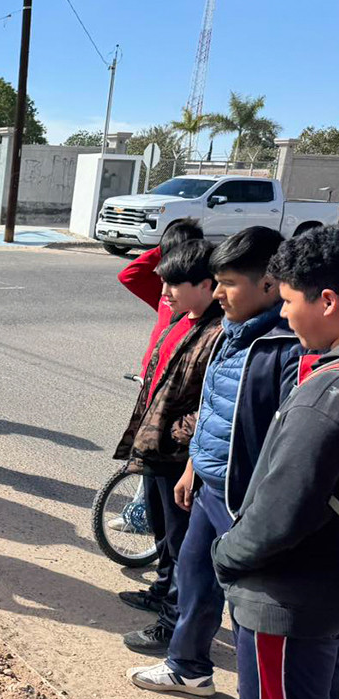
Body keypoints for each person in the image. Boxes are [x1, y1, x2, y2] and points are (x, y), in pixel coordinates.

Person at [127, 227, 304, 699]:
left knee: (248, 609)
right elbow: (214, 411)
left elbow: (281, 440)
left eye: (228, 283)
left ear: (270, 284)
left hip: (244, 498)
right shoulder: (234, 329)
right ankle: (187, 667)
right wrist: (193, 469)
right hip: (207, 482)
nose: (220, 293)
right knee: (193, 578)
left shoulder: (283, 347)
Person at [203, 225, 339, 699]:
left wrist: (226, 555)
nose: (285, 316)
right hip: (323, 595)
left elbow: (280, 511)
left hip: (288, 599)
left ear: (327, 300)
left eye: (287, 301)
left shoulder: (323, 396)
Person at [113, 239, 224, 656]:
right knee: (166, 537)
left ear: (206, 284)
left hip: (182, 457)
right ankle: (163, 595)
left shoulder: (215, 332)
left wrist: (178, 438)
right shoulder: (186, 320)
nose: (165, 294)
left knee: (186, 550)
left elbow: (210, 404)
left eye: (174, 284)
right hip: (161, 452)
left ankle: (173, 626)